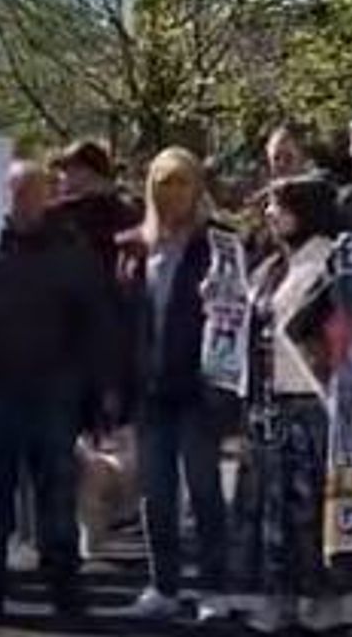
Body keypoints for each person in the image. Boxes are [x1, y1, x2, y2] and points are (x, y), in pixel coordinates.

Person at [0, 160, 116, 625]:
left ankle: (65, 593)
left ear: (47, 196)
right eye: (14, 193)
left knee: (56, 502)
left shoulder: (71, 249)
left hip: (52, 395)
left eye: (30, 192)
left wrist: (99, 390)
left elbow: (96, 322)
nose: (22, 202)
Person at [230, 174, 344, 633]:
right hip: (268, 400)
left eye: (280, 205)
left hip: (310, 402)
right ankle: (279, 599)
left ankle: (321, 599)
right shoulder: (272, 266)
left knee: (307, 510)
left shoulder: (330, 262)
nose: (270, 214)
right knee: (268, 510)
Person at [121, 147, 230, 623]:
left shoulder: (220, 243)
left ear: (197, 187)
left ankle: (214, 589)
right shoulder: (136, 245)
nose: (172, 194)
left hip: (199, 386)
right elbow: (124, 319)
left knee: (205, 492)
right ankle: (163, 584)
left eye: (181, 182)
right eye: (163, 184)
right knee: (156, 495)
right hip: (151, 388)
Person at [51, 138, 143, 428]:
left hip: (78, 343)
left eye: (68, 171)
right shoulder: (134, 213)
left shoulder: (62, 218)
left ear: (87, 173)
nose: (62, 179)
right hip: (119, 341)